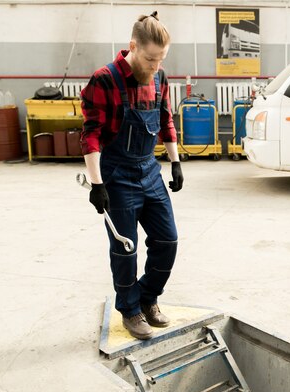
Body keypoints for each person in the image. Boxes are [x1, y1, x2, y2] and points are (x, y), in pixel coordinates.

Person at [80, 11, 183, 340]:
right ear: (133, 47)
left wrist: (175, 161)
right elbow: (91, 134)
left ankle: (148, 298)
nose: (155, 67)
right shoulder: (105, 79)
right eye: (151, 59)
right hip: (117, 173)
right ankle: (130, 309)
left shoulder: (159, 78)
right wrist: (97, 184)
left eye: (161, 60)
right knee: (125, 248)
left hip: (149, 170)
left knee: (168, 241)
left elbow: (165, 119)